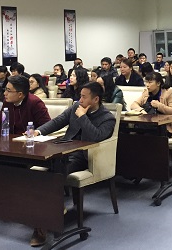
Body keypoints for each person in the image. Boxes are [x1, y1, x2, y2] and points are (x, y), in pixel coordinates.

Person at [32, 82, 116, 246]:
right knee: (37, 173)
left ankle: (41, 226)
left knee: (54, 176)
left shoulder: (107, 118)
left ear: (96, 99)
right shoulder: (76, 107)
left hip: (82, 157)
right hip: (64, 149)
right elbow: (58, 121)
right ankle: (50, 208)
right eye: (80, 96)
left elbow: (96, 137)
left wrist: (83, 117)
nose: (80, 100)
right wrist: (38, 131)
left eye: (84, 97)